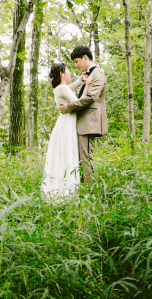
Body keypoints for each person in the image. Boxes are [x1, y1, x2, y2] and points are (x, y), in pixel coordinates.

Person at [58, 46, 107, 183]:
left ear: (85, 57)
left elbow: (91, 97)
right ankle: (84, 189)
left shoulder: (97, 73)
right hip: (84, 121)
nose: (76, 65)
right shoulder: (89, 74)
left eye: (76, 61)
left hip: (89, 121)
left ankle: (92, 193)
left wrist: (69, 107)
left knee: (85, 158)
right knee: (81, 157)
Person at [41, 62, 82, 198]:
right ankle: (66, 193)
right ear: (62, 73)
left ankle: (60, 191)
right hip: (66, 126)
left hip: (64, 124)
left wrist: (81, 80)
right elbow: (78, 102)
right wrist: (87, 85)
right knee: (66, 155)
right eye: (68, 70)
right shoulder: (62, 89)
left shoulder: (60, 88)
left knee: (62, 156)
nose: (71, 72)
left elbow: (70, 87)